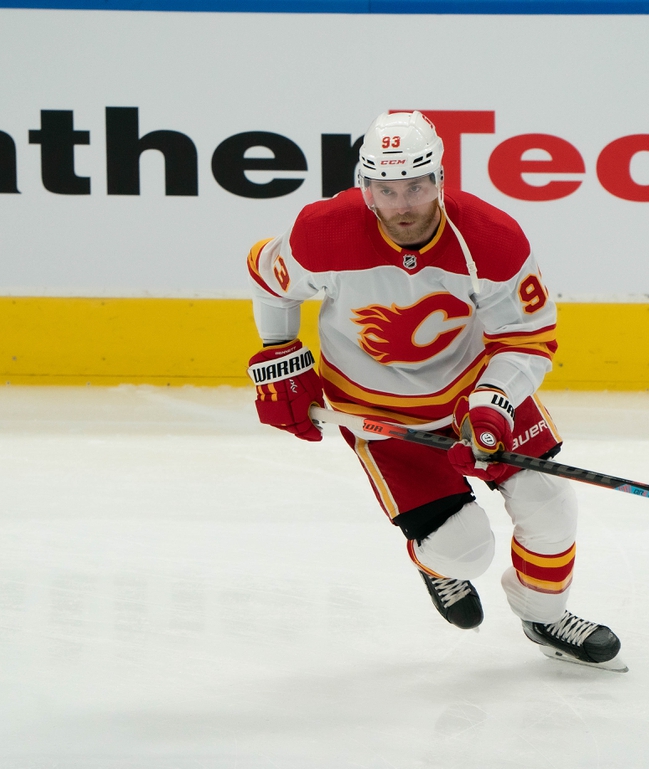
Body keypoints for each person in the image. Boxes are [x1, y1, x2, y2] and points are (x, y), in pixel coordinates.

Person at [244, 111, 621, 668]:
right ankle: (436, 563)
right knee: (465, 551)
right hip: (379, 417)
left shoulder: (489, 238)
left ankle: (544, 617)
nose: (402, 205)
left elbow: (528, 337)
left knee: (550, 509)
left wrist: (492, 404)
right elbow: (266, 279)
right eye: (385, 189)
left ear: (440, 181)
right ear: (364, 186)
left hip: (476, 393)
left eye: (416, 187)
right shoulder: (324, 231)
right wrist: (280, 355)